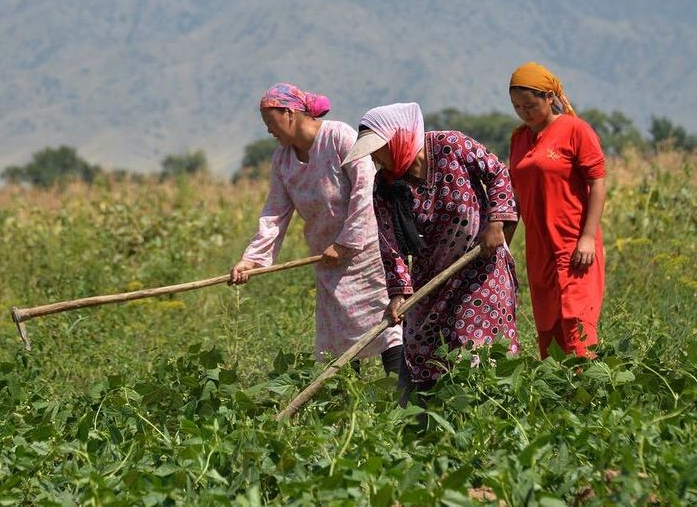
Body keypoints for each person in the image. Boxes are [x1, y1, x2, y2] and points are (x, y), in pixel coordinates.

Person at [342, 102, 520, 395]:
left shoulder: (450, 145)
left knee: (473, 348)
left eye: (378, 148)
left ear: (397, 137)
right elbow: (391, 245)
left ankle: (484, 413)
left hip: (481, 267)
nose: (375, 157)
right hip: (432, 279)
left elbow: (498, 173)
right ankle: (428, 425)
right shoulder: (385, 186)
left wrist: (497, 222)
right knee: (423, 350)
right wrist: (399, 293)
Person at [229, 82, 403, 373]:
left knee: (388, 325)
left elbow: (366, 189)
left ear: (289, 113)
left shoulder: (339, 137)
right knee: (338, 342)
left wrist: (346, 243)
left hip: (369, 255)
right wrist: (252, 260)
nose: (269, 130)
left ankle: (402, 403)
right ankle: (344, 411)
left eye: (270, 122)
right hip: (328, 262)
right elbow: (275, 213)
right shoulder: (282, 161)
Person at [508, 62, 606, 359]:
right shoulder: (518, 138)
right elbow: (515, 196)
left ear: (550, 97)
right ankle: (557, 397)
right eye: (517, 107)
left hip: (575, 245)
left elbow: (598, 183)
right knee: (549, 326)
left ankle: (588, 395)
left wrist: (587, 237)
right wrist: (503, 242)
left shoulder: (575, 130)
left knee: (576, 322)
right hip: (540, 248)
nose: (524, 112)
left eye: (530, 105)